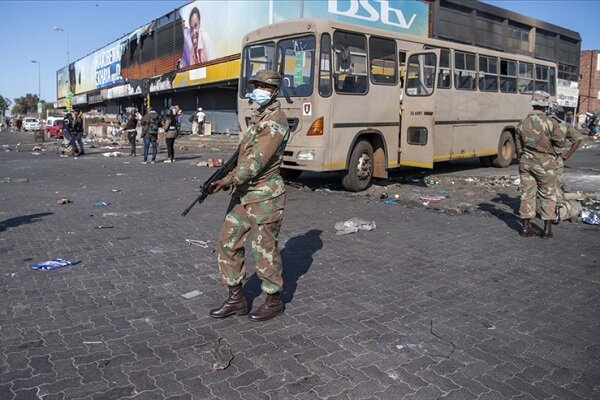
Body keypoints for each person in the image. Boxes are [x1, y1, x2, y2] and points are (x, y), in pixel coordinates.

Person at [209, 70, 290, 322]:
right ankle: (236, 299)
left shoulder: (275, 122)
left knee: (263, 249)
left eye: (264, 86)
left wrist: (228, 179)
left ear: (275, 91)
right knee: (227, 241)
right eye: (256, 85)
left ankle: (273, 300)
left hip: (265, 195)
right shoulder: (258, 117)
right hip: (244, 194)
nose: (259, 90)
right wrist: (224, 171)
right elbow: (244, 155)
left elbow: (256, 162)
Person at [515, 91, 567, 239]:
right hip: (545, 164)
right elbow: (560, 142)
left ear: (533, 104)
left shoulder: (522, 122)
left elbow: (518, 145)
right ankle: (546, 230)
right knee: (548, 195)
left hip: (526, 163)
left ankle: (525, 228)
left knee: (527, 195)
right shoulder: (551, 122)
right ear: (546, 105)